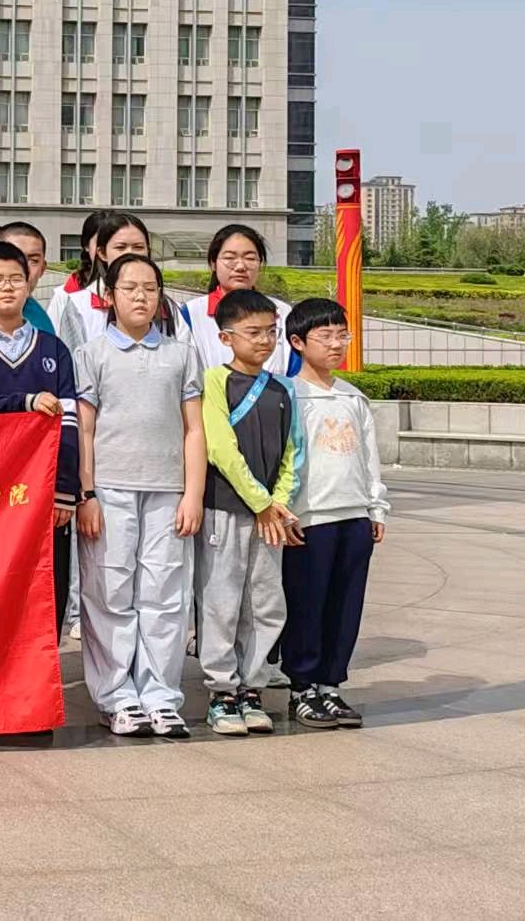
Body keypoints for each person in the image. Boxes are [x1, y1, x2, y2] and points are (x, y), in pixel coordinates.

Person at [74, 253, 206, 738]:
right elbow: (84, 430)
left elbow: (195, 429)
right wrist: (86, 493)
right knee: (109, 593)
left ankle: (161, 696)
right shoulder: (90, 353)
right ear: (109, 295)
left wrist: (193, 494)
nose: (141, 297)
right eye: (129, 288)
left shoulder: (181, 354)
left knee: (165, 596)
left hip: (168, 491)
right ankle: (116, 696)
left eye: (150, 288)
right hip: (109, 491)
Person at [0, 242, 80, 639]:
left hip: (43, 493)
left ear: (30, 284)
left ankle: (41, 668)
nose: (7, 287)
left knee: (47, 583)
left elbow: (69, 421)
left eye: (16, 279)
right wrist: (25, 402)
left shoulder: (53, 348)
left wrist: (65, 490)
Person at [283, 298, 390, 729]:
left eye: (342, 335)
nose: (336, 344)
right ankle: (302, 688)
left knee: (346, 605)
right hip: (309, 519)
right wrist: (284, 511)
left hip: (355, 516)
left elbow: (369, 457)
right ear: (297, 342)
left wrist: (376, 506)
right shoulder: (289, 395)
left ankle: (330, 684)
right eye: (324, 336)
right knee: (307, 604)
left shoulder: (352, 397)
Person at [198, 288, 301, 737]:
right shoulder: (214, 382)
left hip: (269, 517)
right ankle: (222, 691)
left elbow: (292, 450)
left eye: (271, 332)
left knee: (265, 601)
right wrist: (260, 502)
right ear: (226, 337)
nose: (264, 341)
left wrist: (279, 501)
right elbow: (220, 448)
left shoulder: (282, 389)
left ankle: (252, 686)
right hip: (225, 510)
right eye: (253, 332)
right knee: (221, 600)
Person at [53, 212, 177, 354]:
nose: (130, 253)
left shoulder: (169, 308)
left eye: (138, 247)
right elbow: (72, 360)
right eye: (120, 247)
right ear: (102, 253)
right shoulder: (79, 305)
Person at [181, 224, 298, 374]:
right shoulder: (190, 313)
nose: (241, 266)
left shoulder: (282, 312)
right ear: (213, 264)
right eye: (229, 258)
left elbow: (295, 371)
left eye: (250, 258)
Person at [46, 209, 110, 333]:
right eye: (102, 243)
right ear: (86, 246)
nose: (109, 250)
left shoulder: (144, 293)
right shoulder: (65, 295)